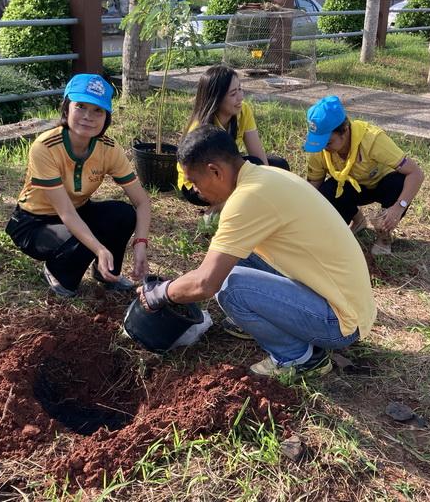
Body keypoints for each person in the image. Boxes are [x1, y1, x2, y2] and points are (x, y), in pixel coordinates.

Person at [138, 125, 374, 379]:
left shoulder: (248, 198)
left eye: (194, 182)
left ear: (214, 171)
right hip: (348, 303)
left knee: (230, 287)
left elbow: (206, 283)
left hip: (339, 323)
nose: (195, 190)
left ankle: (299, 358)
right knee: (235, 256)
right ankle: (268, 320)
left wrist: (159, 295)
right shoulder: (265, 175)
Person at [5, 74, 151, 296]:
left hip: (78, 212)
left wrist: (141, 244)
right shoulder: (45, 147)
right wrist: (99, 248)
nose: (88, 117)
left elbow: (142, 202)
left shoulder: (108, 148)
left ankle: (107, 274)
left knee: (123, 214)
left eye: (97, 110)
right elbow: (66, 214)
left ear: (106, 117)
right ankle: (55, 270)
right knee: (80, 247)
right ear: (66, 108)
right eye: (80, 106)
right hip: (34, 222)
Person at [304, 96, 424, 256]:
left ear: (345, 130)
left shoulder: (372, 139)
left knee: (398, 183)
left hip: (382, 184)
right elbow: (313, 186)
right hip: (351, 187)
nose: (324, 148)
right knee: (326, 192)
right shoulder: (320, 149)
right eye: (320, 142)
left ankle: (384, 236)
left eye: (329, 142)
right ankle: (358, 220)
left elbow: (416, 174)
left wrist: (398, 207)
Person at [177, 64, 290, 208]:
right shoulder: (201, 129)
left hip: (226, 171)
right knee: (251, 172)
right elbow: (212, 177)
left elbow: (257, 154)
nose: (240, 97)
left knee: (278, 165)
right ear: (216, 99)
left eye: (240, 89)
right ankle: (220, 207)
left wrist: (266, 182)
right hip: (200, 184)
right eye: (233, 94)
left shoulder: (243, 111)